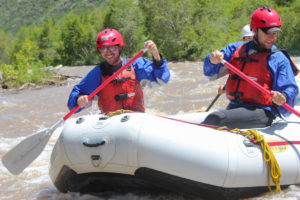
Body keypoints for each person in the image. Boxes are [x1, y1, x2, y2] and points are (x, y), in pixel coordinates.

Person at [202, 6, 299, 129]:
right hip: (235, 107)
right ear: (255, 30)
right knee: (214, 118)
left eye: (275, 33)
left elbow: (290, 88)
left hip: (263, 111)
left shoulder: (279, 59)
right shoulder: (235, 49)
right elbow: (209, 72)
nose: (272, 37)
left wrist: (284, 96)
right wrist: (212, 60)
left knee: (215, 119)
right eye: (267, 32)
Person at [67, 28, 170, 114]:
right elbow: (73, 102)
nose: (108, 52)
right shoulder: (98, 73)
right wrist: (79, 99)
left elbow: (162, 78)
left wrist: (156, 56)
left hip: (136, 118)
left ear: (120, 47)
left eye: (111, 47)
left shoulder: (136, 65)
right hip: (110, 121)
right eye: (103, 49)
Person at [216, 24, 254, 95]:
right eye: (248, 38)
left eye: (253, 38)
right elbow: (236, 75)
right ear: (243, 39)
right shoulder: (239, 55)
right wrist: (225, 87)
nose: (251, 41)